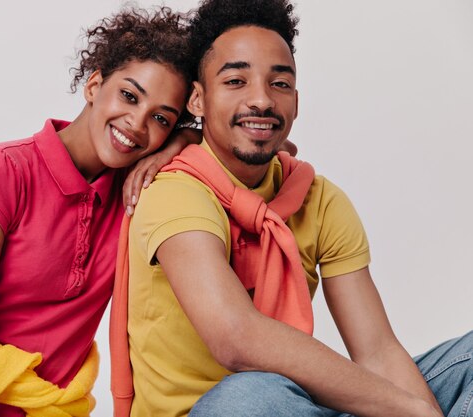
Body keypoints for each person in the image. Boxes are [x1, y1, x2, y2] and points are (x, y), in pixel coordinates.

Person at [110, 0, 473, 416]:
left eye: (279, 84)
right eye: (235, 81)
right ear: (197, 100)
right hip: (225, 411)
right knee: (248, 397)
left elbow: (376, 352)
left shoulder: (319, 199)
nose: (261, 101)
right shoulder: (175, 191)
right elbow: (236, 339)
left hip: (297, 407)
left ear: (296, 102)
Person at [0, 6, 196, 417]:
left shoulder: (137, 189)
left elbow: (268, 152)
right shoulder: (2, 170)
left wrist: (180, 141)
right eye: (129, 96)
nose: (135, 123)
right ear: (94, 84)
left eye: (160, 118)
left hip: (53, 407)